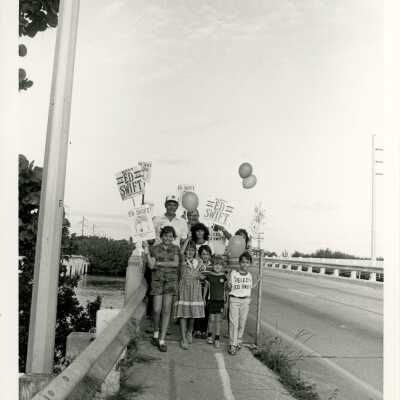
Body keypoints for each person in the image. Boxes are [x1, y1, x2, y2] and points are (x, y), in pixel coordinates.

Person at [143, 226, 180, 352]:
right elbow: (150, 265)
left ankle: (162, 340)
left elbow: (175, 263)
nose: (168, 238)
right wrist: (146, 251)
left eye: (170, 236)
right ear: (161, 236)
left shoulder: (176, 248)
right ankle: (155, 331)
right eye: (166, 235)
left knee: (166, 310)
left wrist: (159, 263)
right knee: (156, 309)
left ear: (173, 238)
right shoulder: (154, 249)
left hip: (170, 281)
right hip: (157, 280)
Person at [227, 251, 260, 355]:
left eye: (247, 262)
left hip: (245, 300)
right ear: (239, 263)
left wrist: (257, 281)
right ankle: (233, 344)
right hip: (234, 300)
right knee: (234, 323)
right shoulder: (234, 273)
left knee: (242, 322)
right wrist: (227, 280)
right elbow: (229, 286)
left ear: (249, 263)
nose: (244, 264)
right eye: (242, 262)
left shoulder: (249, 275)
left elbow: (249, 287)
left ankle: (239, 341)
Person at [176, 240, 205, 349]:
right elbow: (181, 252)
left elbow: (201, 274)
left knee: (193, 313)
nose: (189, 252)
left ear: (195, 251)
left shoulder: (198, 262)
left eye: (192, 250)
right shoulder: (183, 260)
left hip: (195, 289)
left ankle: (189, 331)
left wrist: (201, 276)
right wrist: (188, 239)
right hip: (184, 288)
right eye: (187, 250)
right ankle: (183, 338)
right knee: (183, 313)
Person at [204, 255, 227, 348]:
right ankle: (209, 336)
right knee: (211, 319)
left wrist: (226, 301)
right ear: (212, 265)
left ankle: (217, 338)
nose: (218, 266)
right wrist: (203, 299)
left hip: (220, 301)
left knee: (218, 320)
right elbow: (206, 288)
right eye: (216, 264)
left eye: (220, 265)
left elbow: (225, 290)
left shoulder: (224, 277)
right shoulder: (210, 276)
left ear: (222, 266)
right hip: (211, 300)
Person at [193, 244, 213, 338]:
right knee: (197, 309)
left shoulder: (212, 266)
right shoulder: (197, 264)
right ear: (200, 255)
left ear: (210, 255)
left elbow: (212, 278)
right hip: (198, 289)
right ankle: (196, 329)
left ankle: (204, 330)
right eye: (203, 254)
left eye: (207, 254)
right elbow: (195, 275)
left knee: (206, 310)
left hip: (208, 291)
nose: (205, 256)